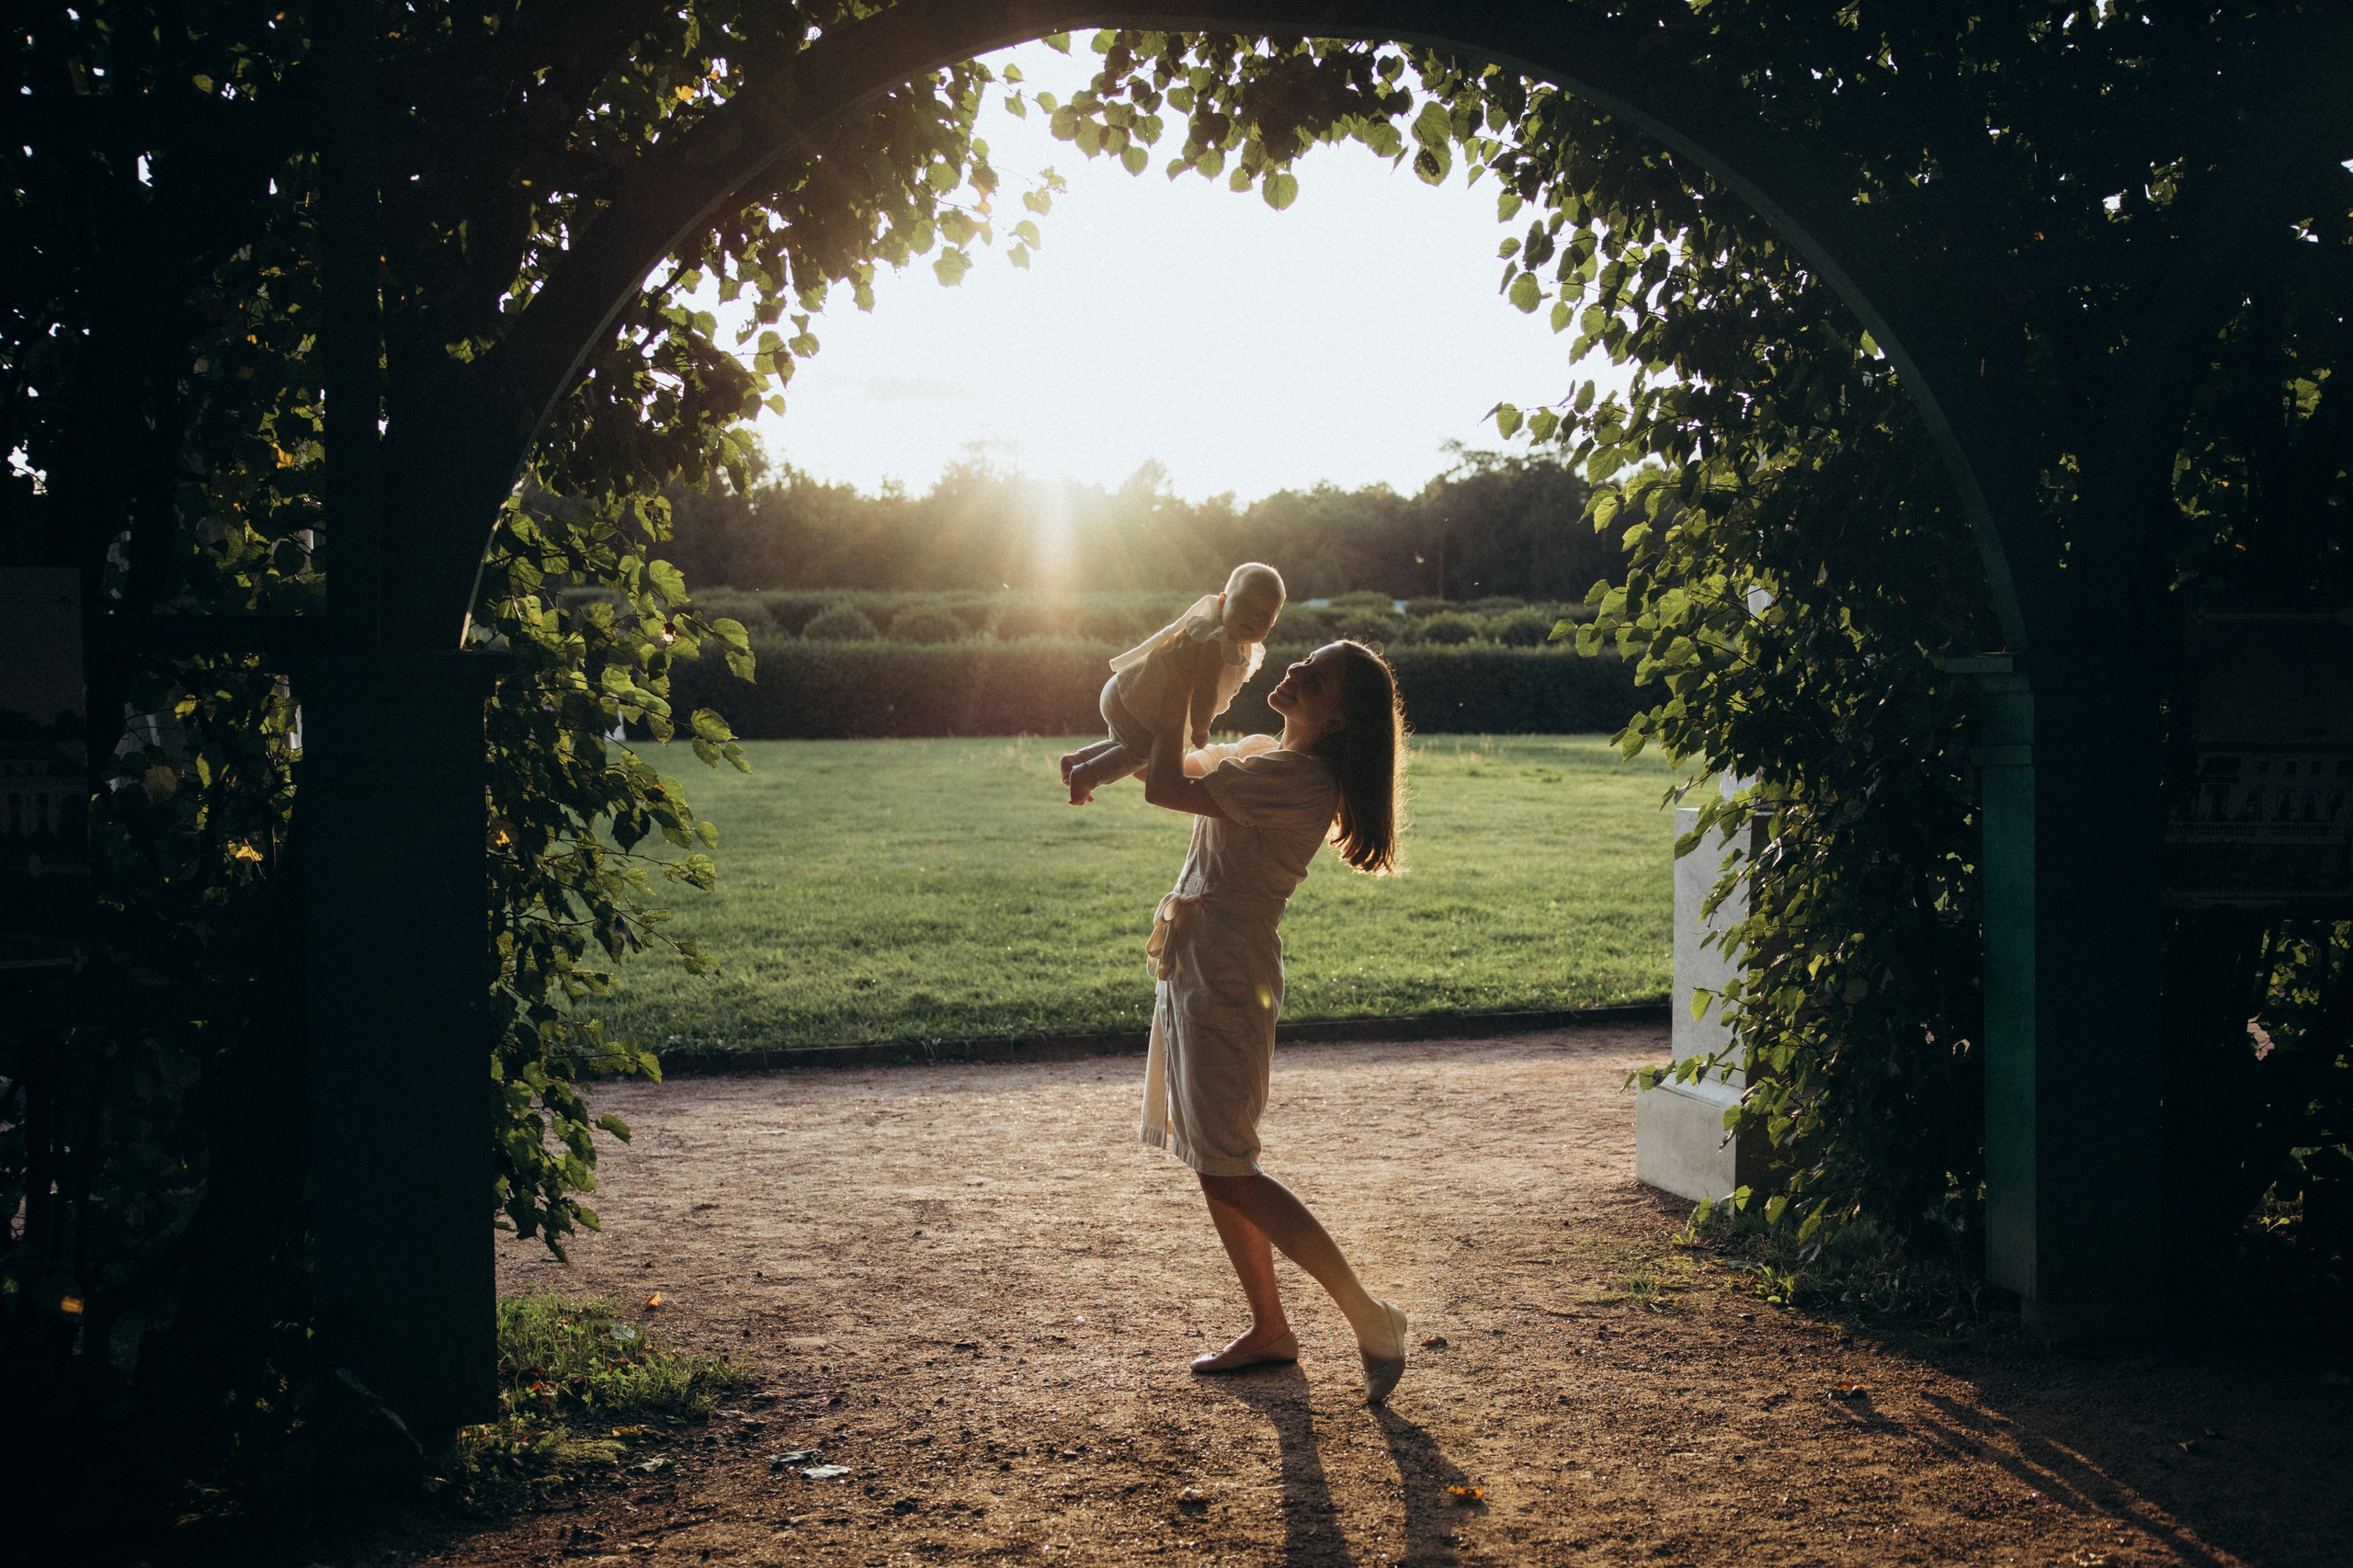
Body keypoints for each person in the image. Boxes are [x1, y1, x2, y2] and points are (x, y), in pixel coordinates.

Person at [1132, 637, 1415, 1403]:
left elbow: (1162, 782)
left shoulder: (1295, 778)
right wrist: (1179, 682)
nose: (1290, 671)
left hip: (1227, 977)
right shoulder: (1266, 755)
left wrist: (1174, 689)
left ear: (1337, 712)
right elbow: (1178, 756)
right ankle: (1270, 1330)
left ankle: (1369, 1314)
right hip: (1202, 966)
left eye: (1312, 676)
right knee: (1215, 1159)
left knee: (1230, 1162)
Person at [1060, 562, 1286, 805]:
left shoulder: (1230, 642)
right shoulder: (1216, 641)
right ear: (1222, 603)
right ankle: (1085, 776)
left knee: (1130, 748)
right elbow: (1205, 691)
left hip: (1126, 692)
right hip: (1136, 701)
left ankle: (1077, 760)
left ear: (1272, 624)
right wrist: (1200, 728)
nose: (1253, 616)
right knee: (1146, 752)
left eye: (1264, 615)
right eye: (1246, 604)